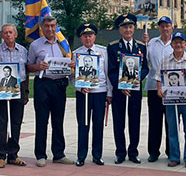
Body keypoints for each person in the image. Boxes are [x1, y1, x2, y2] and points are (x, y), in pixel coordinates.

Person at [26, 15, 73, 166]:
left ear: (56, 26)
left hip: (59, 85)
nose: (50, 29)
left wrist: (71, 65)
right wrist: (38, 67)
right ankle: (40, 155)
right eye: (47, 26)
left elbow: (69, 61)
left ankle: (59, 153)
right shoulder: (35, 45)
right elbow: (28, 66)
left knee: (58, 121)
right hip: (43, 84)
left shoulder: (63, 44)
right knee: (42, 120)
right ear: (42, 27)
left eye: (53, 26)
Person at [0, 23, 29, 168]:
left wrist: (26, 91)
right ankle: (0, 155)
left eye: (11, 32)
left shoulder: (23, 51)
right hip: (1, 92)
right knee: (2, 123)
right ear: (2, 36)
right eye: (5, 33)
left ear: (15, 34)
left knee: (16, 123)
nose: (8, 35)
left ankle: (13, 154)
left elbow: (26, 73)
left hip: (18, 90)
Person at [107, 13, 148, 164]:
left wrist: (136, 80)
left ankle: (133, 151)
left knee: (134, 121)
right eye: (124, 27)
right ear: (119, 30)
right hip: (119, 91)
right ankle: (120, 152)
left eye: (130, 27)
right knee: (119, 122)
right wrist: (121, 85)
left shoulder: (141, 47)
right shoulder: (112, 47)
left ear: (134, 28)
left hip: (135, 90)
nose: (128, 30)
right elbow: (111, 70)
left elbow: (145, 68)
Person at [157, 32, 186, 168]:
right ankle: (174, 156)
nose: (178, 45)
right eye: (176, 42)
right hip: (171, 100)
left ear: (185, 44)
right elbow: (159, 78)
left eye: (181, 42)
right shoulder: (165, 60)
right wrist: (159, 90)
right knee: (173, 129)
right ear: (172, 45)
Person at [72, 22, 111, 166]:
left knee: (98, 124)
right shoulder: (75, 54)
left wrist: (109, 93)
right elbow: (72, 76)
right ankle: (81, 156)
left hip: (99, 92)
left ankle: (97, 155)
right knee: (83, 124)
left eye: (90, 35)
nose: (88, 39)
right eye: (85, 36)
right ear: (81, 38)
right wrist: (79, 87)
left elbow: (107, 73)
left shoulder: (103, 52)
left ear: (94, 37)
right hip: (83, 94)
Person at [145, 16, 174, 162]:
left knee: (171, 121)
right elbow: (145, 60)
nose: (165, 29)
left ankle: (171, 151)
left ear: (172, 27)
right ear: (159, 28)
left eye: (167, 26)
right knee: (155, 121)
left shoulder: (176, 43)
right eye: (162, 26)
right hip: (153, 87)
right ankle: (153, 151)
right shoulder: (151, 43)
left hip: (171, 88)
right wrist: (144, 44)